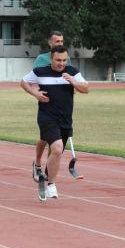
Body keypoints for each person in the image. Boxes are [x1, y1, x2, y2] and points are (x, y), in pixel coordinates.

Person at [21, 45, 89, 202]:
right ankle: (51, 184)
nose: (61, 63)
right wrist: (35, 94)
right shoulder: (40, 71)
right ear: (51, 58)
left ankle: (45, 176)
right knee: (57, 148)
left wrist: (73, 81)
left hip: (65, 120)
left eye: (64, 60)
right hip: (46, 117)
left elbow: (86, 88)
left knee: (56, 153)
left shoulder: (72, 72)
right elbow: (23, 82)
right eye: (58, 60)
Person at [31, 31, 77, 180]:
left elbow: (69, 77)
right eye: (57, 41)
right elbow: (33, 80)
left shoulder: (66, 58)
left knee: (55, 143)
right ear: (50, 43)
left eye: (62, 41)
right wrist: (37, 93)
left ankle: (47, 172)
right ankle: (37, 163)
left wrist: (73, 87)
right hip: (47, 105)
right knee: (44, 139)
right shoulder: (41, 59)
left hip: (62, 105)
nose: (60, 44)